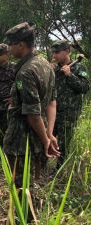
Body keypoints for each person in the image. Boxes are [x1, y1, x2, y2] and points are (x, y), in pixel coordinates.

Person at [3, 22, 60, 190]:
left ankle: (26, 216)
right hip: (36, 136)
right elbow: (51, 102)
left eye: (11, 45)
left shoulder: (25, 72)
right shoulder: (45, 64)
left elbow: (33, 115)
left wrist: (46, 140)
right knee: (31, 185)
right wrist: (49, 133)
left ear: (21, 45)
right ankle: (31, 215)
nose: (8, 49)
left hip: (22, 141)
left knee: (21, 188)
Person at [51, 40, 90, 169]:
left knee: (63, 144)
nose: (54, 55)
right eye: (53, 52)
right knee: (47, 139)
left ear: (67, 51)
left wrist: (70, 75)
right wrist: (48, 73)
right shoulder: (54, 69)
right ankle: (41, 166)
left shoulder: (78, 67)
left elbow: (84, 87)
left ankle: (58, 172)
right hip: (52, 112)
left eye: (57, 52)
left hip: (69, 114)